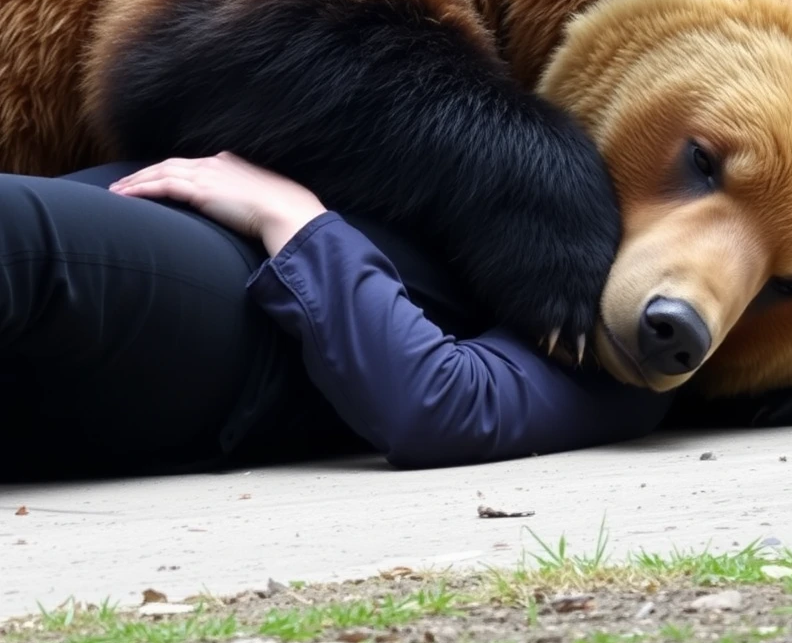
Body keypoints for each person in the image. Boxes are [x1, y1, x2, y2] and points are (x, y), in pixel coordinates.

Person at [0, 154, 672, 482]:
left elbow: (442, 404)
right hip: (170, 209)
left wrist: (290, 215)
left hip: (249, 305)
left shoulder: (641, 333)